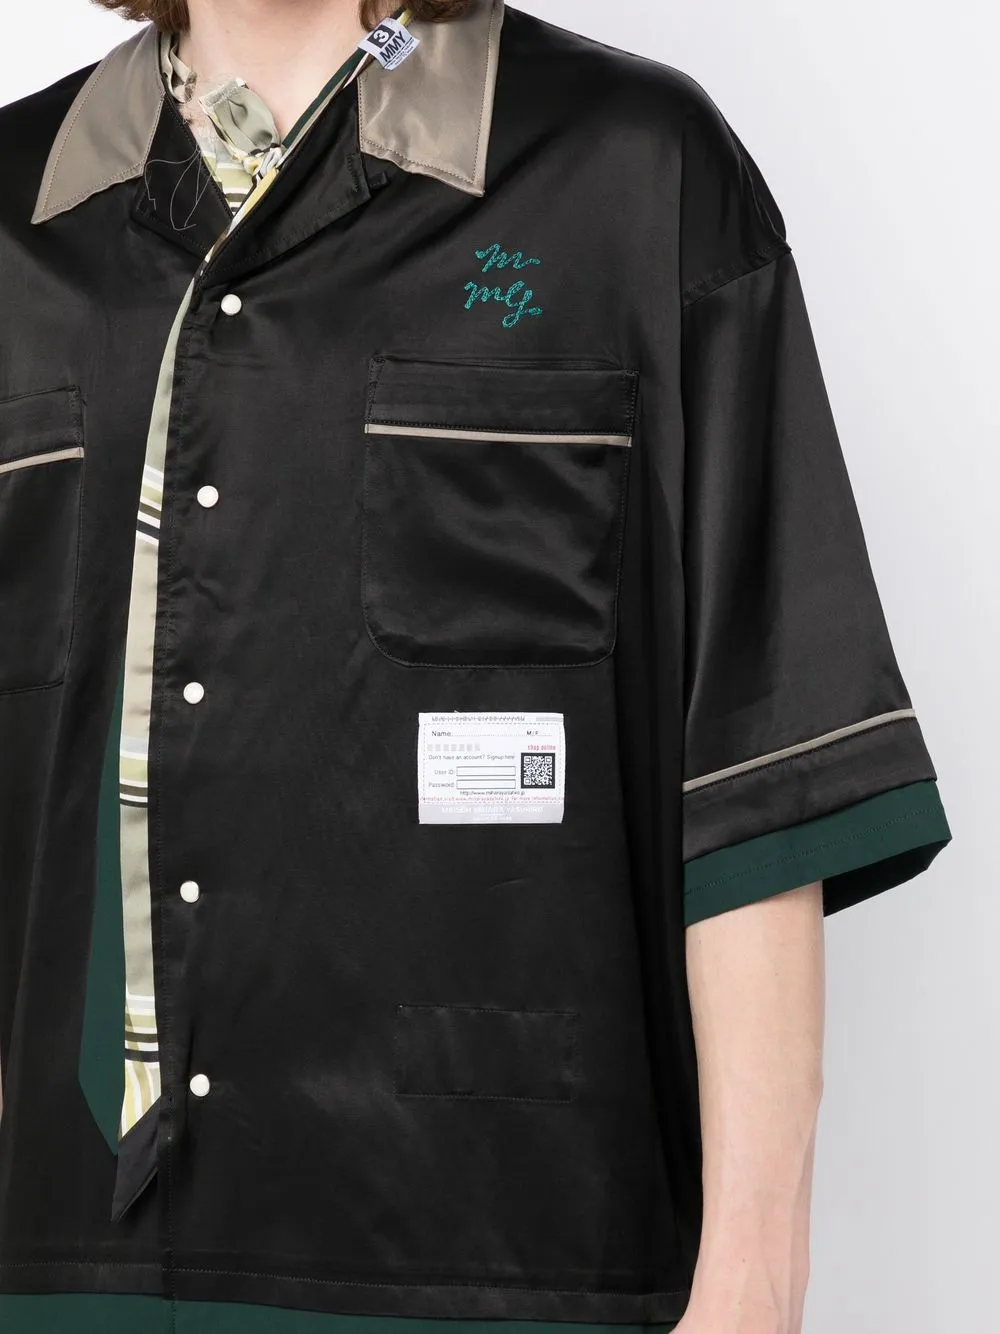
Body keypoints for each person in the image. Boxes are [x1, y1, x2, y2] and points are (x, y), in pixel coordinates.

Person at [0, 1, 952, 1332]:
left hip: (515, 1258)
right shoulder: (15, 215)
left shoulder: (638, 173)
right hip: (60, 1269)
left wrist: (756, 1279)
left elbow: (758, 768)